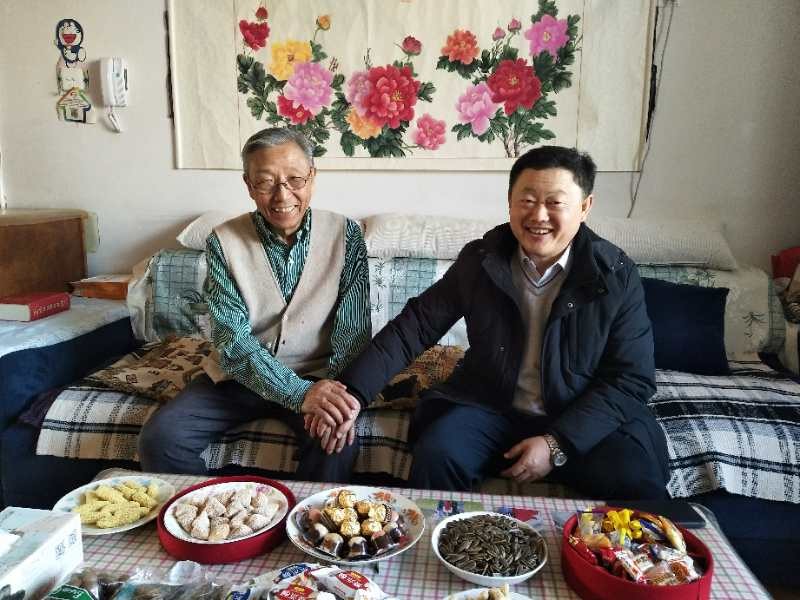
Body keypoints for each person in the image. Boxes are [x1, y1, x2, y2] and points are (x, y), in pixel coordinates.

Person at [333, 146, 669, 499]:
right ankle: (437, 535)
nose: (538, 215)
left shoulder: (615, 274)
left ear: (584, 207)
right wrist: (352, 393)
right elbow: (414, 328)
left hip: (579, 413)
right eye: (527, 200)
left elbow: (631, 378)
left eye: (555, 203)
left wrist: (556, 443)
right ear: (510, 202)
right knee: (439, 454)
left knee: (633, 475)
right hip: (491, 406)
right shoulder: (482, 260)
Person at [138, 127, 369, 480]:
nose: (282, 195)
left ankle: (302, 516)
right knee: (161, 439)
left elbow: (353, 333)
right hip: (240, 378)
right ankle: (217, 510)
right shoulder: (223, 240)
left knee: (335, 444)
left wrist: (336, 398)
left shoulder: (347, 235)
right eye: (265, 182)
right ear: (248, 185)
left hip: (318, 374)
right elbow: (232, 340)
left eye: (295, 179)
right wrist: (298, 394)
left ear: (312, 177)